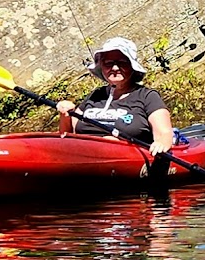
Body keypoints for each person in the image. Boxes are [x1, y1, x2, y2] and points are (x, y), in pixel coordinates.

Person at [56, 37, 175, 166]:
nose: (115, 68)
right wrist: (65, 115)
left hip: (124, 160)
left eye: (122, 62)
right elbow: (67, 136)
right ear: (101, 67)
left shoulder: (147, 96)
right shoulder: (96, 95)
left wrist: (161, 144)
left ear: (132, 66)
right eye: (108, 63)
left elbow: (164, 133)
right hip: (83, 157)